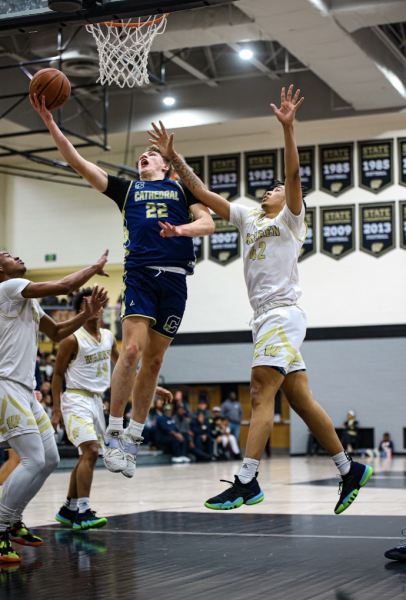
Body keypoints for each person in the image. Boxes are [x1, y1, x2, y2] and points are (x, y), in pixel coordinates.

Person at [149, 86, 373, 514]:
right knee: (301, 401)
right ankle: (348, 469)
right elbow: (203, 195)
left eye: (275, 189)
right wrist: (174, 158)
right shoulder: (248, 216)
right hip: (265, 318)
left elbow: (292, 177)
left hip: (283, 314)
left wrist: (288, 129)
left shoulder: (290, 219)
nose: (270, 191)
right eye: (268, 189)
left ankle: (247, 481)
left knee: (258, 391)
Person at [31, 93, 214, 479]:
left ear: (167, 164)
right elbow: (78, 162)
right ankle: (114, 434)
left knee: (155, 361)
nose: (143, 158)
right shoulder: (126, 189)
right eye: (140, 157)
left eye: (151, 156)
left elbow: (209, 223)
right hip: (141, 275)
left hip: (177, 279)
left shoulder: (183, 190)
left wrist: (180, 229)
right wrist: (51, 124)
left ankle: (132, 438)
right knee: (130, 350)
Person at [0, 249, 109, 563]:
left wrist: (85, 317)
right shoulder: (8, 289)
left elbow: (58, 332)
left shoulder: (26, 299)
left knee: (49, 459)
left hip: (25, 389)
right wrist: (94, 267)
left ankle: (14, 520)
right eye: (8, 255)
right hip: (7, 386)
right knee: (32, 460)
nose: (17, 256)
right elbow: (64, 287)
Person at [51, 288, 120, 531]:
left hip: (96, 401)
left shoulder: (109, 337)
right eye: (89, 303)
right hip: (75, 399)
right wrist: (56, 410)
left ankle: (68, 508)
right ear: (80, 309)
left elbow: (123, 367)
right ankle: (83, 511)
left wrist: (155, 389)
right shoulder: (72, 338)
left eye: (99, 303)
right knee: (90, 451)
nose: (96, 307)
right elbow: (57, 375)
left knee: (86, 456)